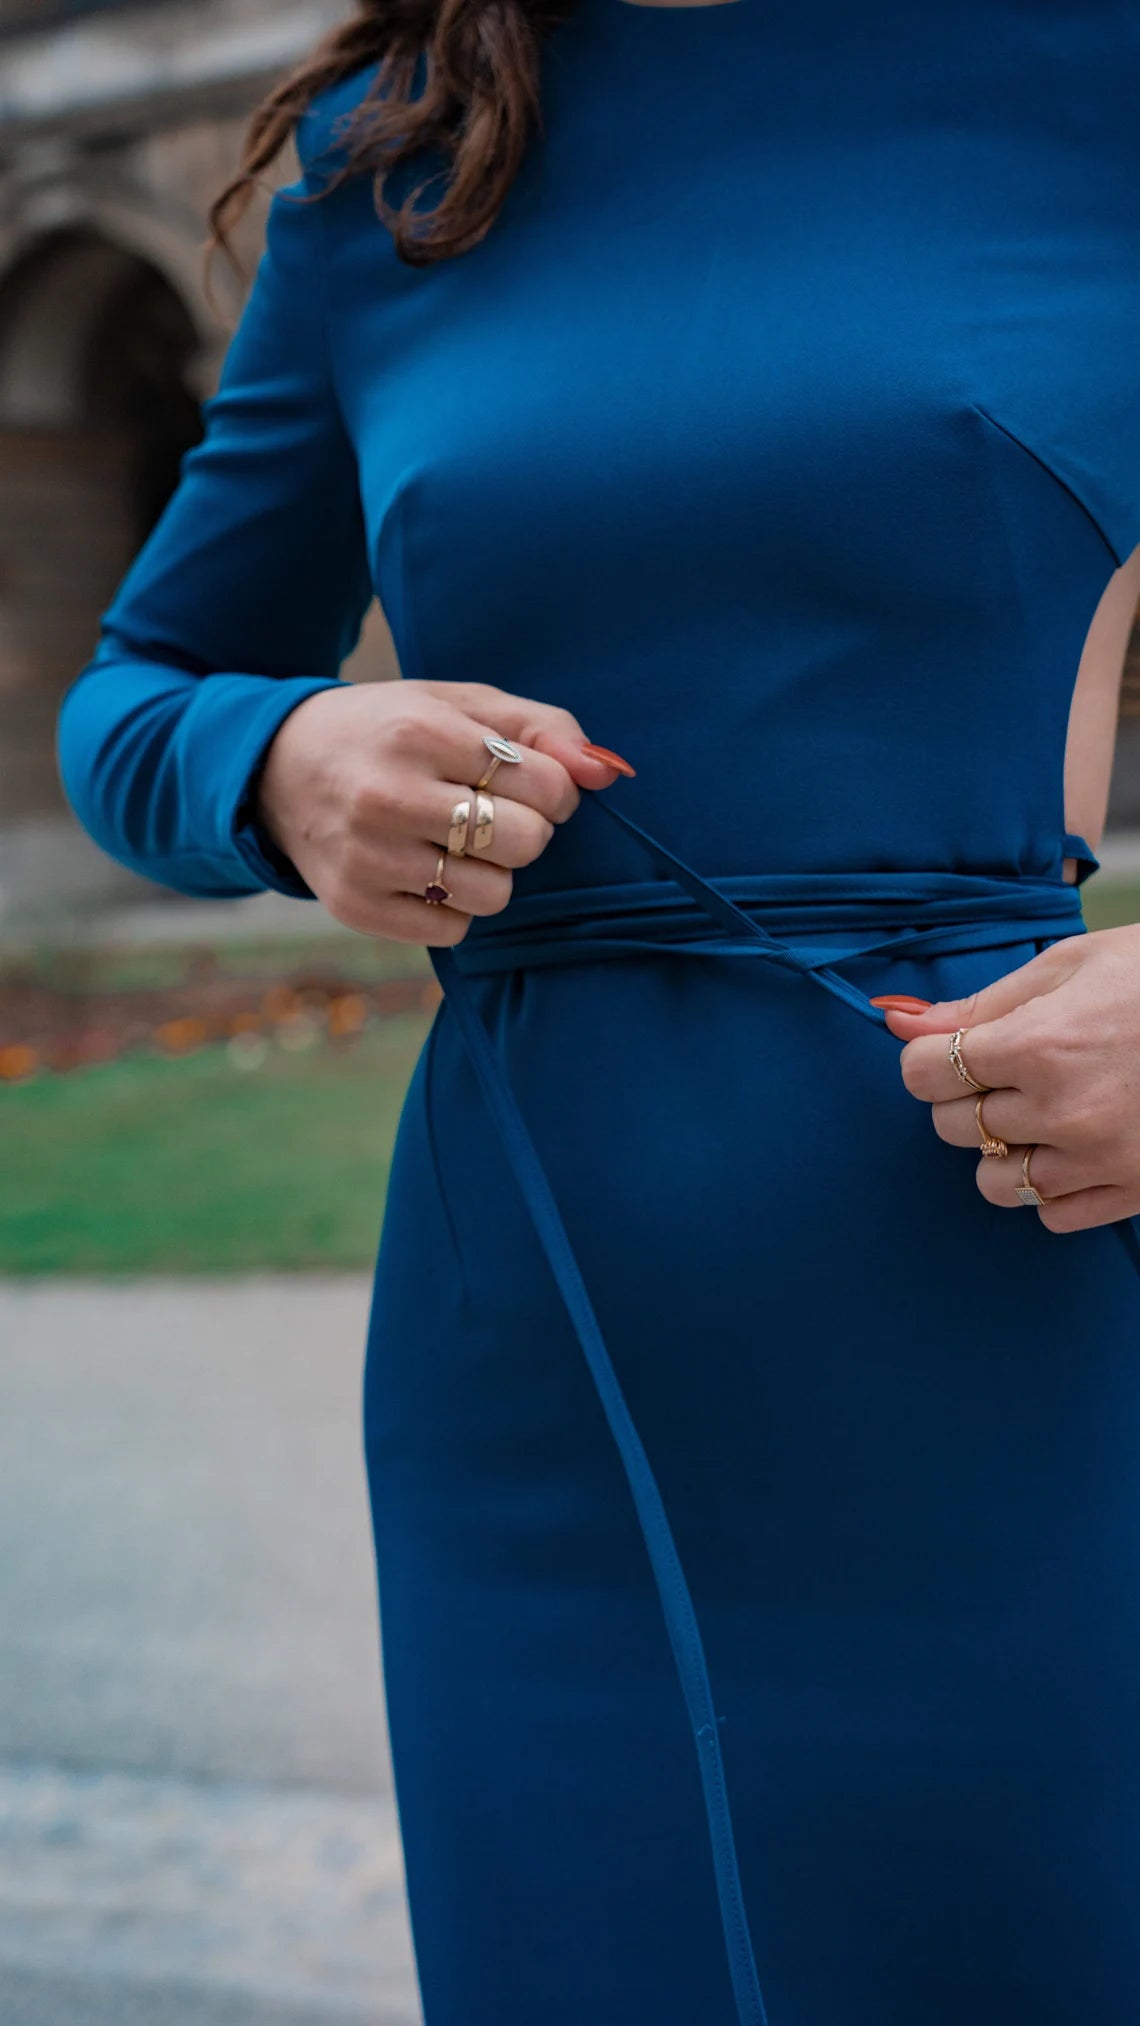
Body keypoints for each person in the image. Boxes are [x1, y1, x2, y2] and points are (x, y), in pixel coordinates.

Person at [56, 1, 1140, 2019]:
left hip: (1035, 1294)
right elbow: (136, 686)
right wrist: (276, 761)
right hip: (542, 1354)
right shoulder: (404, 148)